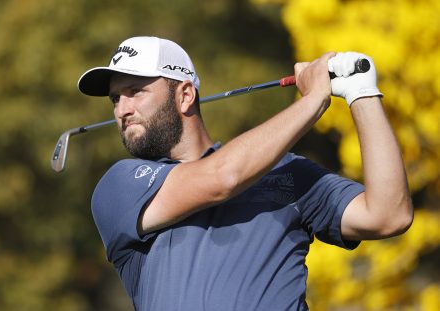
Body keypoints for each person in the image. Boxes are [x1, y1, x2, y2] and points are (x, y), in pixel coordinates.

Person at [77, 36, 413, 310]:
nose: (122, 110)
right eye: (114, 99)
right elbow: (222, 178)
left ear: (185, 95)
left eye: (135, 91)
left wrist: (362, 93)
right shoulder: (119, 187)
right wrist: (313, 101)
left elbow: (389, 214)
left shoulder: (286, 173)